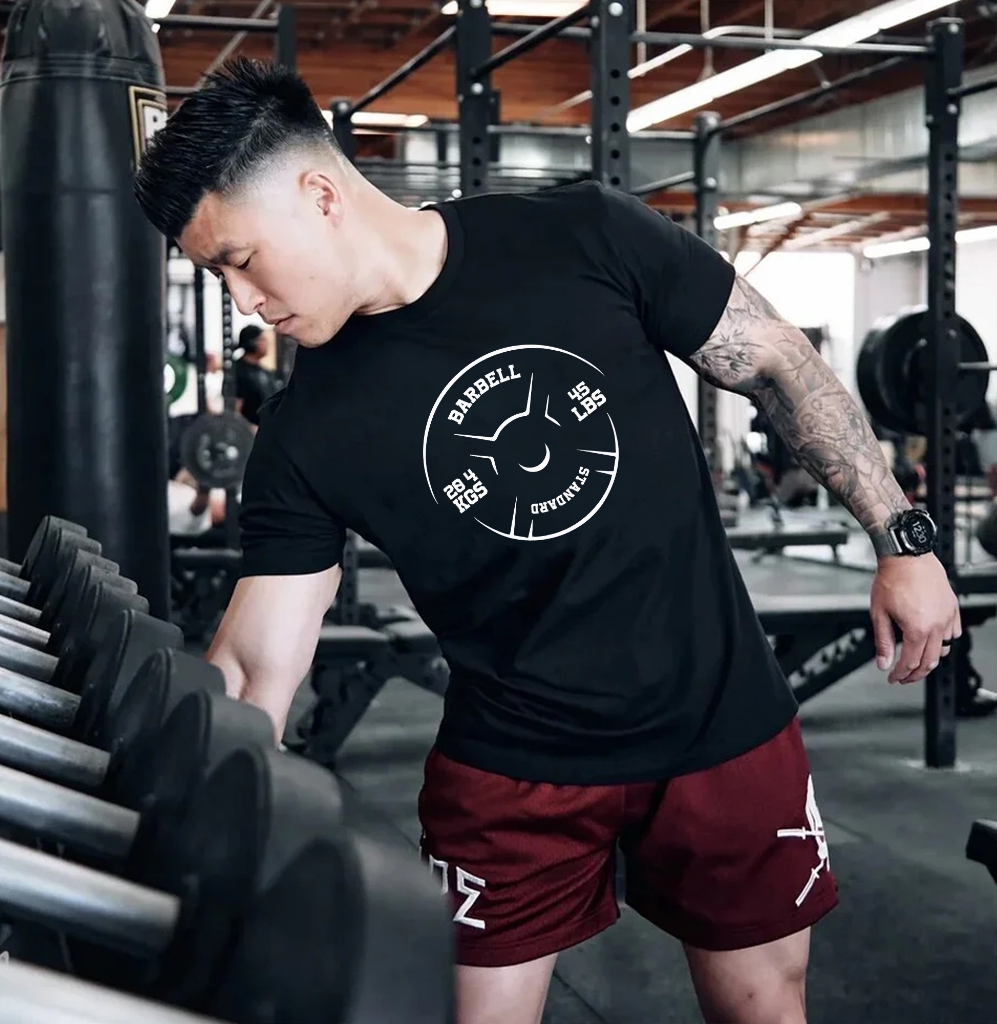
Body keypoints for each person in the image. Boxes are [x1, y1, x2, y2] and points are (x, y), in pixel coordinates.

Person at [134, 58, 962, 1024]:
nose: (241, 301)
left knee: (765, 1009)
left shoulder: (583, 234)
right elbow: (253, 663)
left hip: (720, 720)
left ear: (320, 195)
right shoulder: (303, 433)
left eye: (238, 260)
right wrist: (185, 831)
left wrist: (902, 540)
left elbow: (775, 361)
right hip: (510, 764)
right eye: (218, 276)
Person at [234, 323, 283, 426]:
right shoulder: (237, 372)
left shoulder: (265, 372)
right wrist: (249, 428)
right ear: (252, 343)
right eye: (262, 339)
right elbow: (234, 411)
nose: (267, 344)